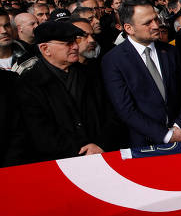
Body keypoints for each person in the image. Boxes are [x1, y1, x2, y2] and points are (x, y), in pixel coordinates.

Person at [16, 21, 122, 163]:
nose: (76, 47)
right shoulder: (29, 84)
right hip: (60, 163)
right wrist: (80, 151)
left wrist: (100, 144)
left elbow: (111, 114)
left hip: (102, 154)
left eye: (75, 41)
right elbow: (39, 132)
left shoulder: (92, 74)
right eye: (68, 43)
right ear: (45, 49)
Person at [101, 0, 181, 147]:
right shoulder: (113, 60)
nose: (156, 25)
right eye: (147, 23)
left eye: (156, 19)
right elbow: (125, 109)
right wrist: (165, 135)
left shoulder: (171, 52)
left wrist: (179, 125)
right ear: (129, 28)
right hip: (143, 144)